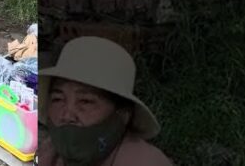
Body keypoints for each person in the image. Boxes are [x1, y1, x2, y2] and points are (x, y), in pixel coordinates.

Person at [40, 36, 174, 166]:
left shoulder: (145, 162)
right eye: (57, 99)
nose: (67, 116)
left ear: (123, 115)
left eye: (85, 101)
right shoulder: (47, 153)